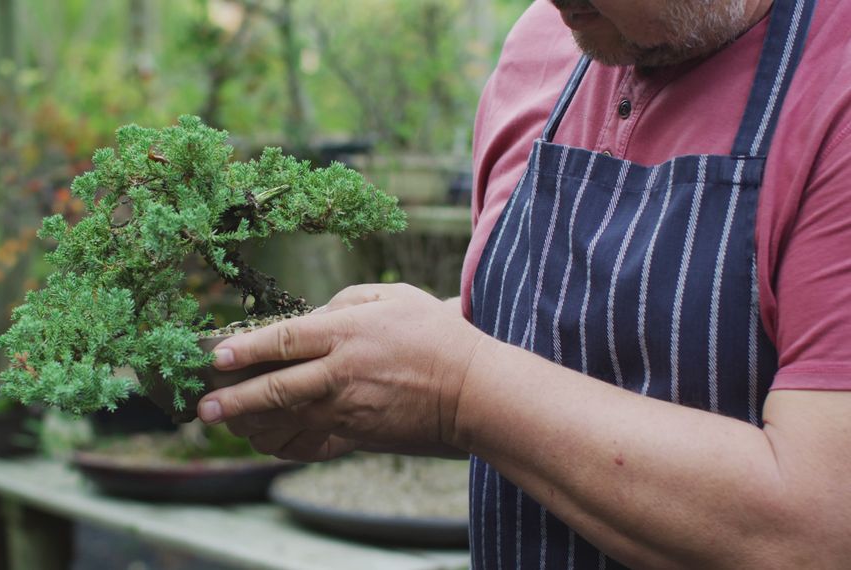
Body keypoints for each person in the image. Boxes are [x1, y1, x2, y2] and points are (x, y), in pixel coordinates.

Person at [195, 0, 851, 567]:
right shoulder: (544, 45)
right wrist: (362, 389)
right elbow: (544, 354)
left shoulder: (834, 78)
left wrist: (459, 388)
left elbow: (816, 533)